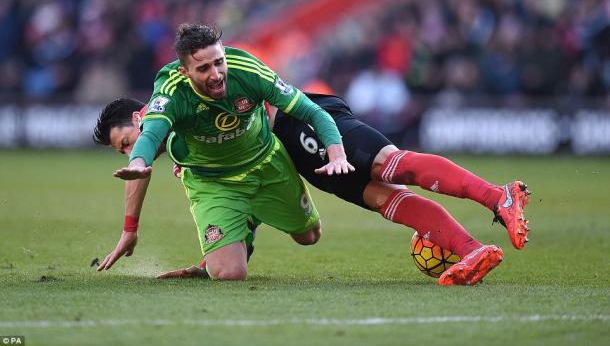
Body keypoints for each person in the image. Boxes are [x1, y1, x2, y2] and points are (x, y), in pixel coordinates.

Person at [95, 92, 530, 286]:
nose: (136, 155)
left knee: (389, 166)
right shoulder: (183, 148)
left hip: (295, 119)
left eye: (127, 144)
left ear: (138, 119)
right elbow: (238, 189)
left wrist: (129, 227)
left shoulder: (164, 108)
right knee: (380, 197)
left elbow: (243, 96)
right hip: (287, 152)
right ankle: (471, 249)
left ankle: (499, 196)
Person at [95, 23, 354, 281]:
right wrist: (139, 164)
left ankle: (248, 220)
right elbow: (149, 136)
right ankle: (227, 238)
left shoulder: (247, 69)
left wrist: (337, 154)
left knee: (309, 236)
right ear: (184, 72)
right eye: (204, 68)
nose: (217, 74)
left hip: (264, 162)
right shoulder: (170, 92)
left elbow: (312, 111)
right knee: (230, 273)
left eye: (219, 62)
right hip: (213, 183)